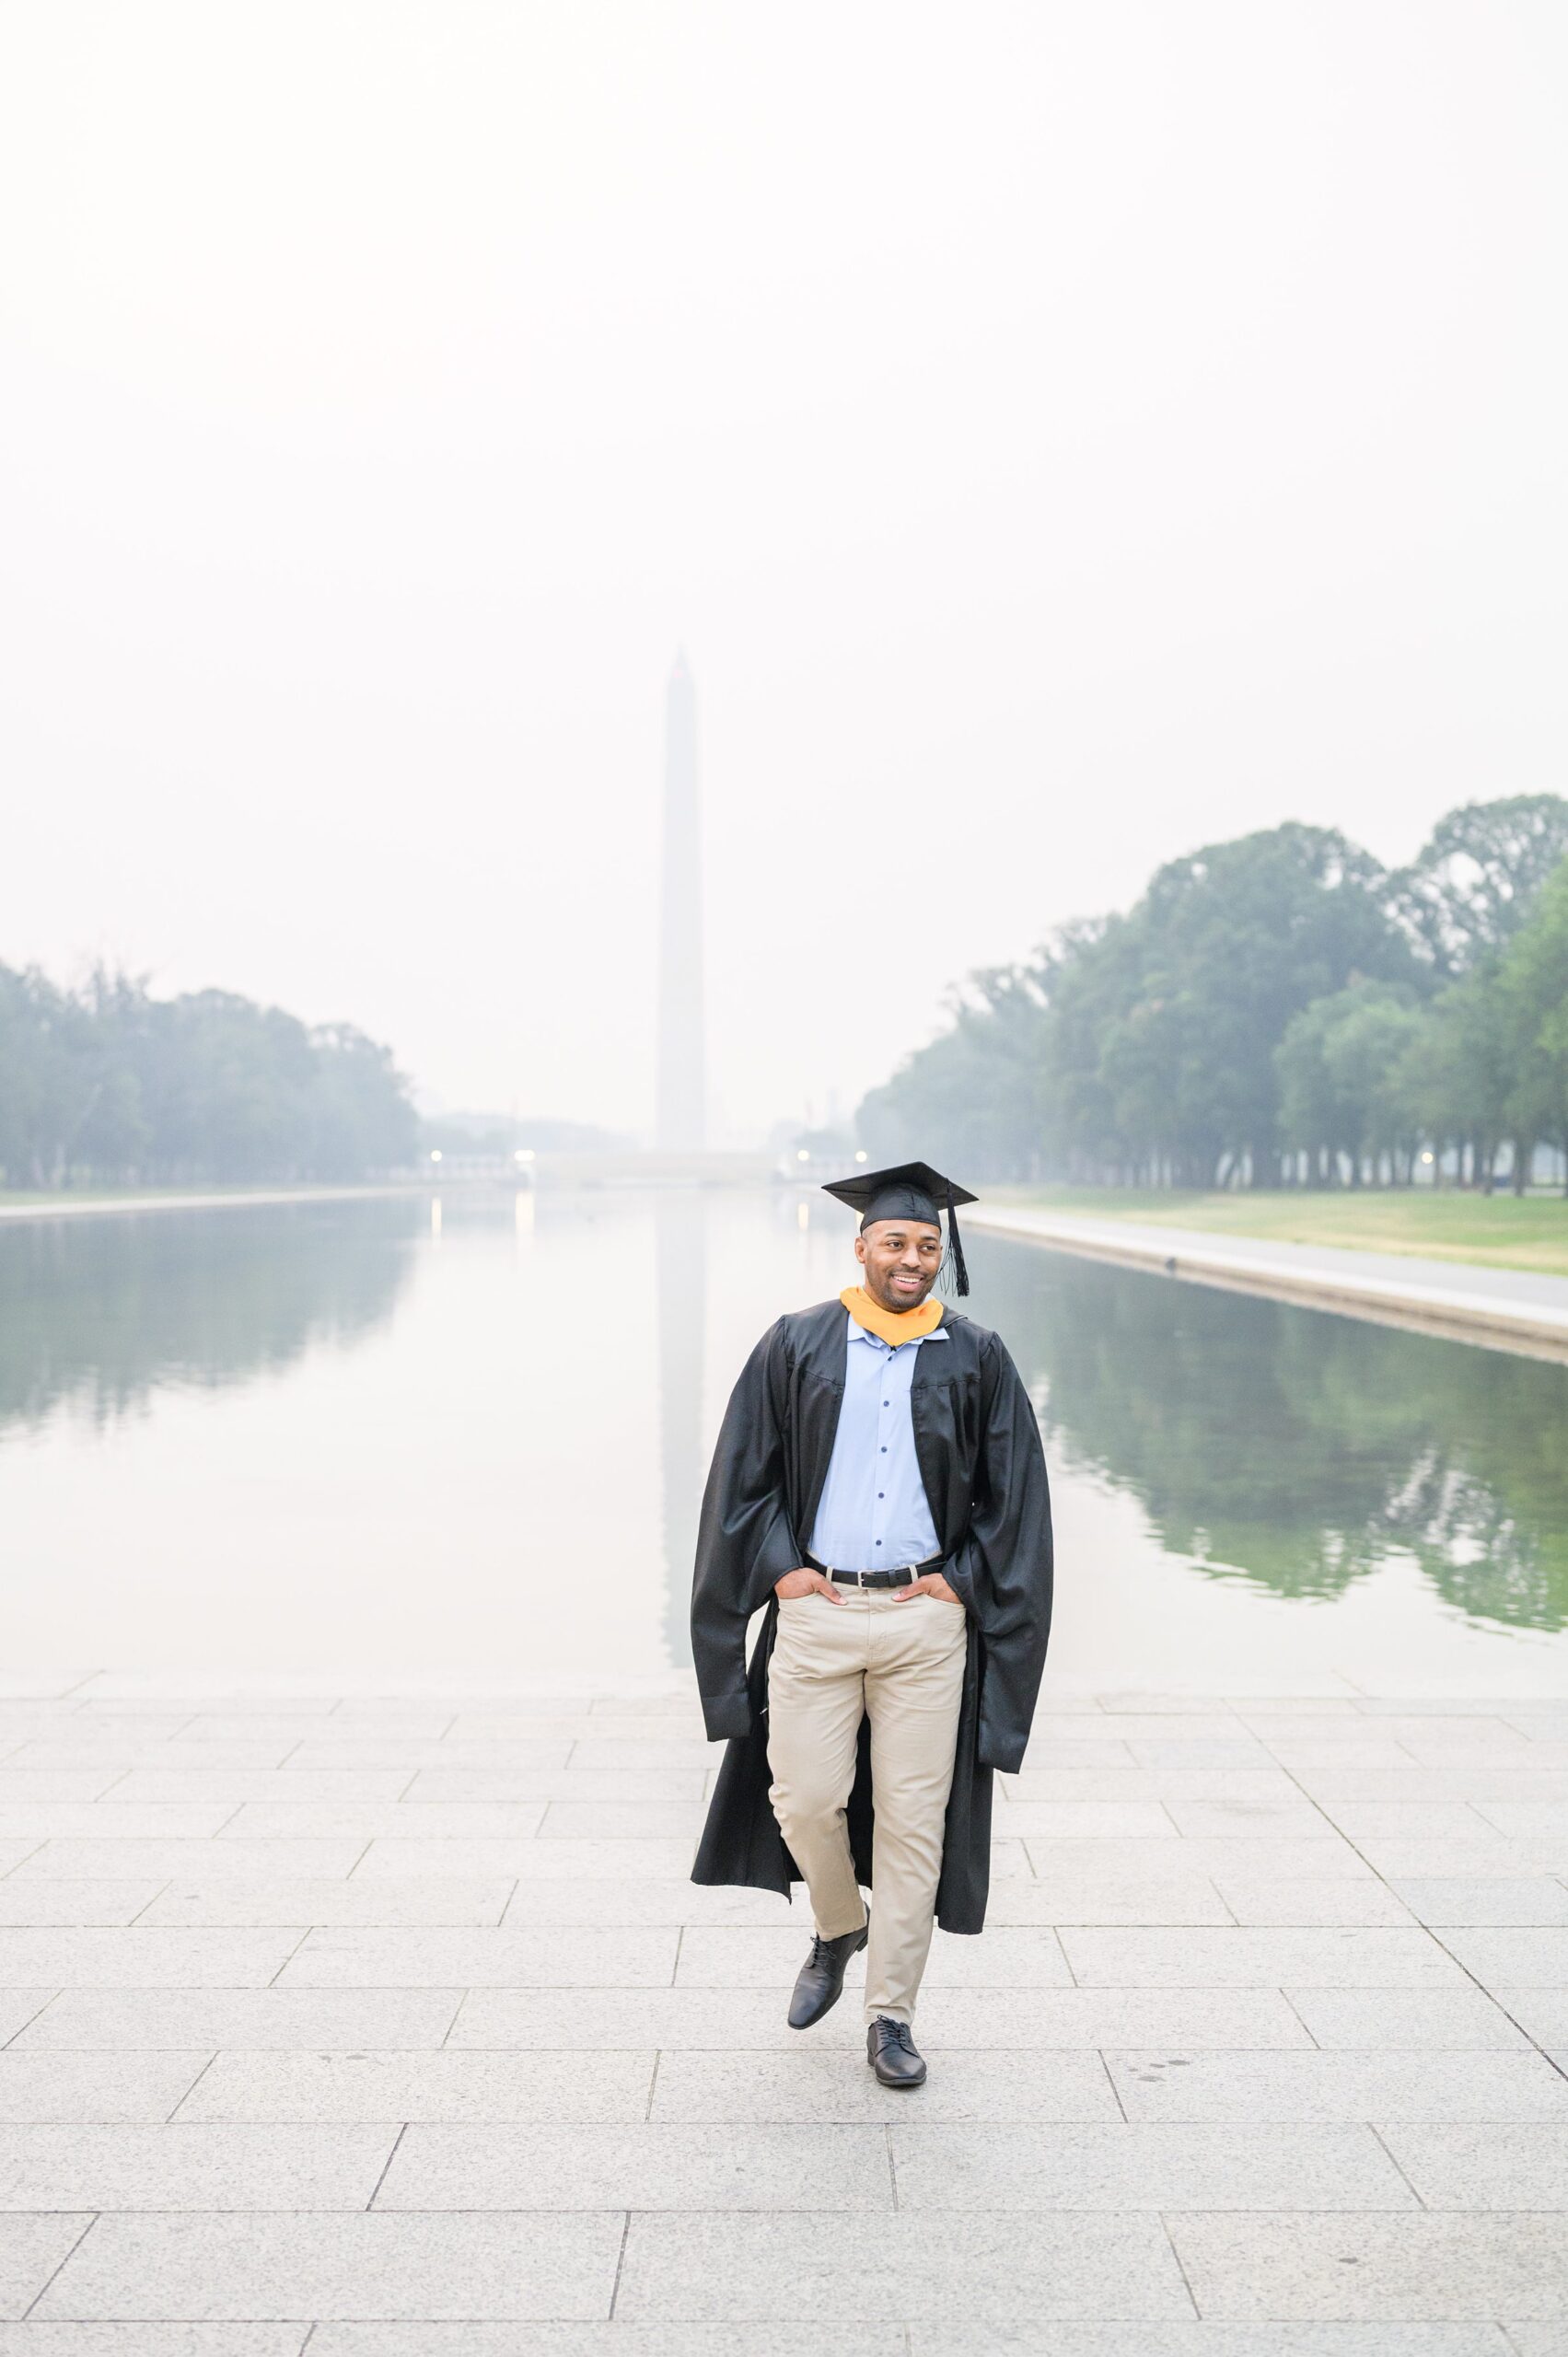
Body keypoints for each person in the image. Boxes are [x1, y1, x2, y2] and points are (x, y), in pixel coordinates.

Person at [689, 1158, 1053, 2087]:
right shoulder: (797, 1344)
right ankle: (836, 1922)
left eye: (927, 1246)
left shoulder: (976, 1355)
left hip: (923, 1621)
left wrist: (963, 1580)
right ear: (859, 1247)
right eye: (896, 1242)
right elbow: (744, 1475)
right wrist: (782, 1574)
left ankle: (890, 2015)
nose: (913, 1259)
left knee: (912, 1823)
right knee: (802, 1799)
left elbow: (1015, 1500)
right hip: (820, 1614)